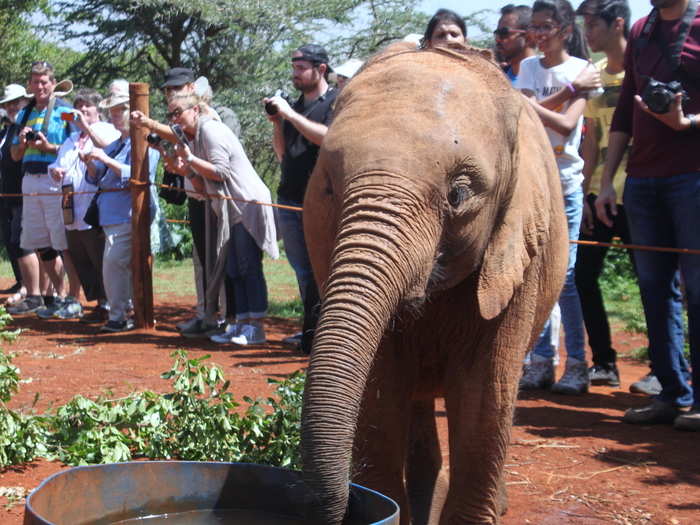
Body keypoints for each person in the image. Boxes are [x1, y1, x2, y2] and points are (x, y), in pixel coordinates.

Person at [595, 0, 700, 430]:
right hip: (642, 180)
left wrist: (688, 122)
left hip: (693, 177)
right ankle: (672, 395)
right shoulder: (641, 29)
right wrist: (607, 182)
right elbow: (625, 111)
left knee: (698, 290)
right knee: (655, 291)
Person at [516, 0, 594, 395]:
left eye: (546, 27)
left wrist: (533, 105)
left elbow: (565, 127)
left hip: (565, 184)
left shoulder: (584, 69)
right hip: (532, 182)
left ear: (565, 30)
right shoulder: (531, 68)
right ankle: (542, 361)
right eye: (535, 27)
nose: (538, 35)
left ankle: (578, 363)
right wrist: (565, 94)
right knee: (535, 273)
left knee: (564, 277)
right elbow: (525, 117)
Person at [131, 67, 241, 337]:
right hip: (196, 194)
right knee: (202, 260)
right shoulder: (179, 121)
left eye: (177, 89)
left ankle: (229, 318)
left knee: (220, 258)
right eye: (168, 90)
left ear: (192, 89)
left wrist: (149, 123)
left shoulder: (213, 116)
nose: (172, 94)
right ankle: (206, 315)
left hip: (216, 196)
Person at [166, 93, 278, 344]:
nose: (174, 119)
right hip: (228, 206)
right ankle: (239, 324)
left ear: (195, 109)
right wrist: (185, 170)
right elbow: (204, 187)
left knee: (248, 266)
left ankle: (256, 328)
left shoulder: (211, 131)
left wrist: (191, 160)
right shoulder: (192, 138)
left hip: (246, 203)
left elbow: (221, 172)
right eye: (170, 114)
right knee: (232, 267)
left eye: (178, 113)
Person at [263, 44, 338, 353]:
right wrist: (279, 122)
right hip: (289, 198)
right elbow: (282, 155)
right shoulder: (294, 106)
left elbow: (328, 138)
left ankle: (321, 338)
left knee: (322, 269)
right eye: (293, 67)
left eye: (300, 67)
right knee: (303, 271)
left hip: (320, 201)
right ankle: (310, 331)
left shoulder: (334, 102)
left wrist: (291, 115)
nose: (294, 73)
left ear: (320, 69)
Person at [82, 79, 160, 333]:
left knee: (115, 265)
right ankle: (122, 313)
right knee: (116, 266)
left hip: (129, 216)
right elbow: (97, 177)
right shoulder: (116, 144)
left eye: (121, 111)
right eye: (113, 112)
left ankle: (121, 315)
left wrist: (103, 158)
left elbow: (138, 175)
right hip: (112, 217)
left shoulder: (147, 141)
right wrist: (91, 163)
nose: (116, 117)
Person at [7, 61, 73, 316]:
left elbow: (76, 146)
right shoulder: (24, 114)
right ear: (30, 85)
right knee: (37, 240)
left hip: (53, 178)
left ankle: (64, 296)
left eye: (44, 81)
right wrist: (23, 144)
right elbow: (14, 155)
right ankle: (48, 297)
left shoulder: (65, 111)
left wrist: (49, 148)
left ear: (53, 83)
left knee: (58, 238)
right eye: (35, 82)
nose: (40, 86)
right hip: (29, 178)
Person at [47, 88, 119, 321]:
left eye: (87, 105)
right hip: (70, 207)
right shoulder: (70, 139)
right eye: (79, 105)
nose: (83, 109)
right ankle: (99, 303)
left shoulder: (107, 130)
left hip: (94, 207)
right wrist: (55, 172)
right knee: (81, 258)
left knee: (99, 257)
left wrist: (87, 128)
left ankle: (110, 303)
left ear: (98, 109)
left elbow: (107, 148)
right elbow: (57, 164)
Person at [0, 84, 30, 301]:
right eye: (8, 103)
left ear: (25, 102)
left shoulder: (25, 127)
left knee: (22, 239)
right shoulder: (7, 130)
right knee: (10, 238)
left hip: (23, 192)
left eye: (16, 102)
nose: (11, 107)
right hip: (5, 193)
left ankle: (29, 286)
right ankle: (22, 281)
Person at [496, 5, 537, 82]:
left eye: (504, 33)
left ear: (529, 36)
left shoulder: (547, 76)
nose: (497, 39)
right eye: (496, 33)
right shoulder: (497, 78)